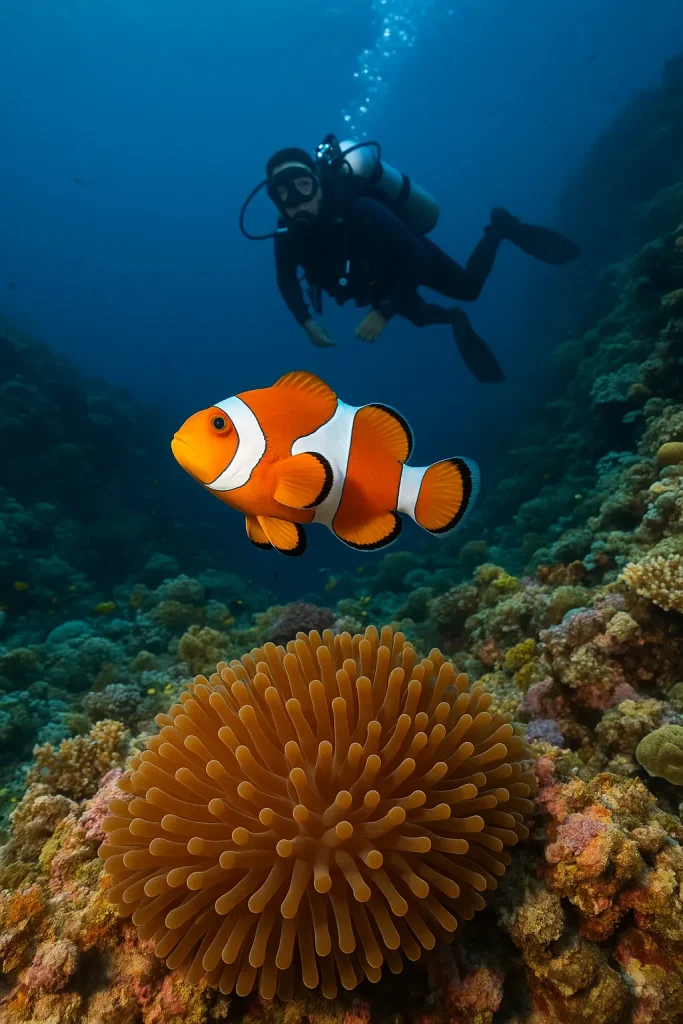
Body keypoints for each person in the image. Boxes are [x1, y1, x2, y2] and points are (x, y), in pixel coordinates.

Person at [265, 146, 579, 382]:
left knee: (468, 288)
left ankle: (500, 228)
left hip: (406, 255)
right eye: (283, 194)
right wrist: (306, 321)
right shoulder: (287, 235)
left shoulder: (360, 209)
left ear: (318, 183)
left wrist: (383, 312)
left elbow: (416, 254)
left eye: (303, 185)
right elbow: (286, 280)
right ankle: (454, 318)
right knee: (419, 315)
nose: (297, 200)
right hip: (372, 281)